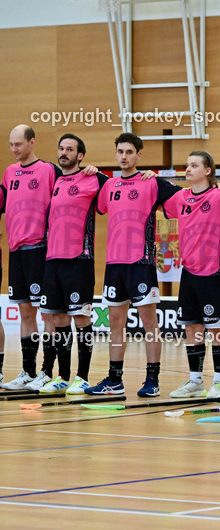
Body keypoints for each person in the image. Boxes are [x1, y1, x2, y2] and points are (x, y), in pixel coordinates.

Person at [85, 133, 180, 397]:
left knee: (150, 323)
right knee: (116, 323)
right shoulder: (109, 186)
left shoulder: (151, 182)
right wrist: (91, 170)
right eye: (120, 152)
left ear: (138, 154)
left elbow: (186, 197)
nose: (124, 156)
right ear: (115, 154)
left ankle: (152, 380)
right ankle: (115, 380)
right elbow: (98, 202)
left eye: (129, 152)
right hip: (114, 264)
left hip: (141, 262)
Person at [38, 134, 108, 394]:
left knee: (80, 317)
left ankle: (83, 376)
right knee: (58, 318)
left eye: (70, 149)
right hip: (52, 259)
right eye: (61, 148)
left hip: (79, 260)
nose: (64, 152)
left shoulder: (93, 179)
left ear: (80, 156)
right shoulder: (55, 180)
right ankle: (63, 377)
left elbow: (121, 188)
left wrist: (97, 172)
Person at [164, 152, 220, 399]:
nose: (188, 168)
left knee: (217, 330)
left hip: (215, 271)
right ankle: (195, 381)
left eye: (194, 165)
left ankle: (218, 382)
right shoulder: (180, 197)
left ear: (208, 170)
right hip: (189, 271)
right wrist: (150, 176)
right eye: (187, 164)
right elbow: (158, 194)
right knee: (192, 328)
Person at [1, 125, 59, 390]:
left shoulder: (47, 170)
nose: (14, 150)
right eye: (11, 145)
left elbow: (73, 184)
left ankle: (46, 372)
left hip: (40, 249)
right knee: (26, 311)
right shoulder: (9, 173)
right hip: (16, 252)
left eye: (18, 145)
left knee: (46, 312)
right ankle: (27, 371)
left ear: (32, 142)